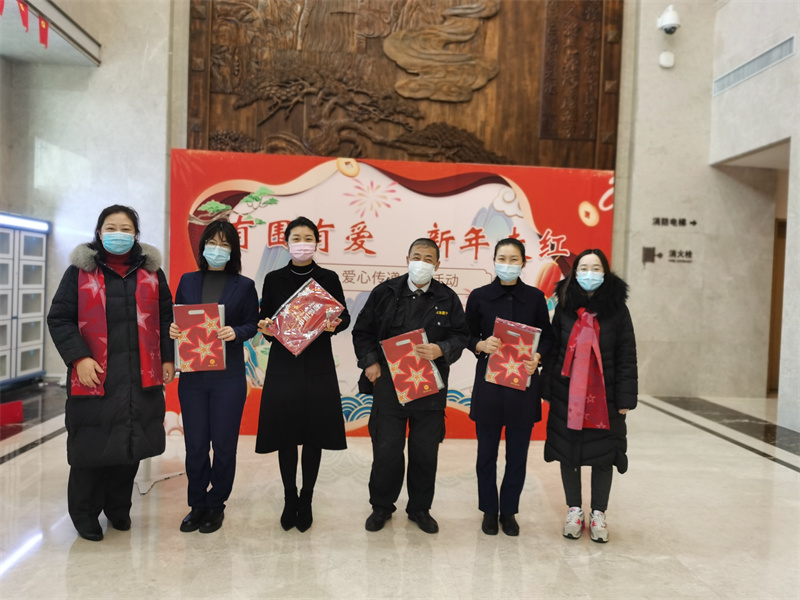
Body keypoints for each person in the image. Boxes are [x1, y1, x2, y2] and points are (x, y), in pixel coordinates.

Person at [47, 205, 175, 542]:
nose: (119, 234)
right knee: (91, 448)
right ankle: (85, 514)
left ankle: (119, 508)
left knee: (129, 447)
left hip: (138, 375)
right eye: (111, 228)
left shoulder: (151, 274)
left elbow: (166, 318)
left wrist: (167, 358)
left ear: (136, 234)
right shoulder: (79, 272)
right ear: (99, 232)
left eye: (126, 228)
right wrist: (79, 358)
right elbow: (59, 318)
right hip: (95, 373)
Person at [352, 238, 469, 534]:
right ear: (407, 259)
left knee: (425, 453)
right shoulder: (385, 292)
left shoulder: (447, 298)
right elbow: (362, 331)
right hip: (389, 386)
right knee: (387, 451)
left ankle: (420, 509)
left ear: (437, 265)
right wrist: (370, 362)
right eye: (417, 257)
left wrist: (442, 349)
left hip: (430, 388)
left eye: (428, 259)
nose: (422, 263)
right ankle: (381, 507)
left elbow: (461, 336)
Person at [255, 216, 350, 532]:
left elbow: (344, 316)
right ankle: (289, 496)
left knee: (314, 433)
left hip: (318, 363)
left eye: (308, 237)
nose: (302, 243)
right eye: (296, 238)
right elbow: (265, 319)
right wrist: (265, 328)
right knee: (286, 433)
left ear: (317, 243)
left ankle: (306, 497)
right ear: (286, 243)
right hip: (284, 364)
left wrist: (335, 324)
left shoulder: (328, 277)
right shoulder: (274, 279)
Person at [540, 248, 637, 543]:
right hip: (567, 395)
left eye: (596, 268)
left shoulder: (618, 310)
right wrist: (548, 389)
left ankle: (598, 513)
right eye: (583, 268)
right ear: (575, 273)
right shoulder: (564, 307)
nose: (589, 273)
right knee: (567, 453)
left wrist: (625, 399)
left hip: (605, 398)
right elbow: (554, 350)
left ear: (605, 273)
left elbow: (627, 356)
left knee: (603, 455)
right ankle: (574, 510)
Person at [170, 220, 259, 534]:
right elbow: (177, 316)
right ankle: (197, 504)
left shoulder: (244, 285)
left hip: (228, 376)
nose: (217, 249)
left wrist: (236, 332)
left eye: (224, 244)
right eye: (212, 242)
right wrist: (173, 329)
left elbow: (253, 323)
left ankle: (216, 503)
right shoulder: (187, 280)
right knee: (195, 445)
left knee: (223, 444)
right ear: (203, 246)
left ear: (233, 250)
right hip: (193, 375)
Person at [464, 238, 553, 536]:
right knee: (486, 454)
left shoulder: (535, 298)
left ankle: (510, 511)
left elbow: (548, 337)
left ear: (523, 263)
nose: (507, 264)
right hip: (489, 385)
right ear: (494, 261)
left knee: (517, 456)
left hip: (523, 386)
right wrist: (480, 344)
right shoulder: (479, 296)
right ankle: (489, 510)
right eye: (502, 258)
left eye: (514, 259)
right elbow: (465, 334)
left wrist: (538, 357)